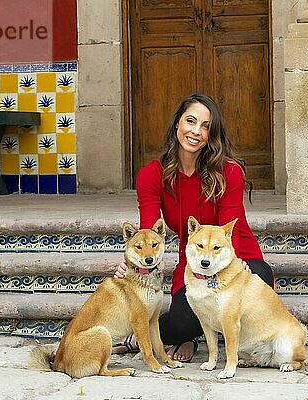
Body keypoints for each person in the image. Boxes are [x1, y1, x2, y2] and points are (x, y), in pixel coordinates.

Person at [113, 93, 274, 362]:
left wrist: (237, 265)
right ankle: (151, 338)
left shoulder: (229, 172)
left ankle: (194, 335)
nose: (196, 132)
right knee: (179, 323)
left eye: (206, 126)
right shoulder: (151, 175)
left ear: (212, 135)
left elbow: (228, 230)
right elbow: (148, 233)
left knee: (260, 275)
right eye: (190, 121)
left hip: (236, 257)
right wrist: (133, 264)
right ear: (177, 123)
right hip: (192, 264)